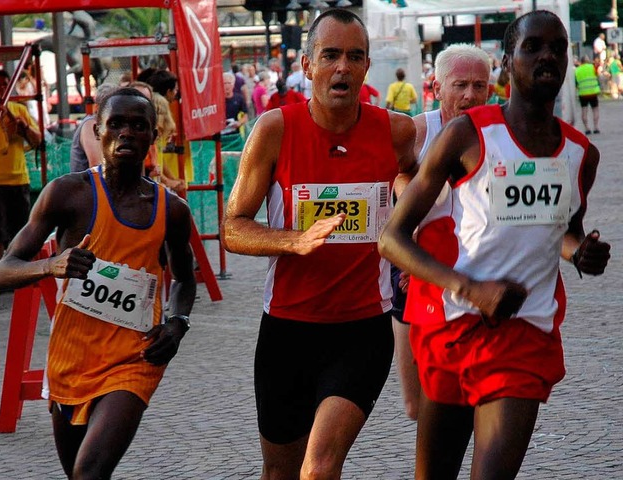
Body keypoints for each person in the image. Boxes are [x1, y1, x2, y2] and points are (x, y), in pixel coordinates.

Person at [378, 11, 611, 479]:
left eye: (557, 47)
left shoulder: (581, 154)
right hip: (452, 324)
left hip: (525, 331)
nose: (547, 55)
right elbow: (391, 239)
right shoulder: (466, 135)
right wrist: (472, 289)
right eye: (532, 46)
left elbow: (562, 229)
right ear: (508, 63)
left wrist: (580, 251)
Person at [221, 9, 416, 479]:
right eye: (330, 55)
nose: (342, 68)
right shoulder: (274, 129)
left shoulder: (396, 131)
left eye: (354, 56)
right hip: (287, 330)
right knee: (280, 472)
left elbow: (412, 170)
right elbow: (232, 227)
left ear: (367, 66)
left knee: (320, 466)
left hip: (362, 329)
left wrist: (405, 206)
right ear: (307, 66)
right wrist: (293, 240)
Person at [0, 87, 196, 479]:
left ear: (152, 137)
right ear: (97, 130)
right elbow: (5, 271)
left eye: (138, 126)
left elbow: (184, 280)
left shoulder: (171, 209)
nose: (126, 133)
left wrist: (177, 322)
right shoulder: (68, 194)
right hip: (70, 358)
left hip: (133, 359)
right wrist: (52, 264)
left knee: (89, 472)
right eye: (115, 123)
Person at [390, 43, 492, 421]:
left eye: (479, 85)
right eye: (460, 84)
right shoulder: (419, 130)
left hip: (476, 270)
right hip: (416, 263)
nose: (470, 95)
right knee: (419, 404)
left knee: (481, 394)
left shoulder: (499, 133)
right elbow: (397, 175)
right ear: (436, 87)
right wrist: (410, 216)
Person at [0, 69, 42, 259]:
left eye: (4, 85)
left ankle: (19, 271)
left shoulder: (19, 110)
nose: (1, 89)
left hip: (18, 178)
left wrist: (23, 128)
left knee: (20, 230)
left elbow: (38, 141)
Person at [69, 83, 118, 173]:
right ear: (98, 108)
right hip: (88, 185)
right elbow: (96, 165)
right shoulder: (91, 124)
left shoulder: (110, 127)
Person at [575, 55, 601, 134]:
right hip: (593, 92)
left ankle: (587, 128)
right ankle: (596, 127)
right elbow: (597, 76)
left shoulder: (577, 70)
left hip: (583, 94)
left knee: (584, 111)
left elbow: (576, 83)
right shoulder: (592, 67)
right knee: (595, 110)